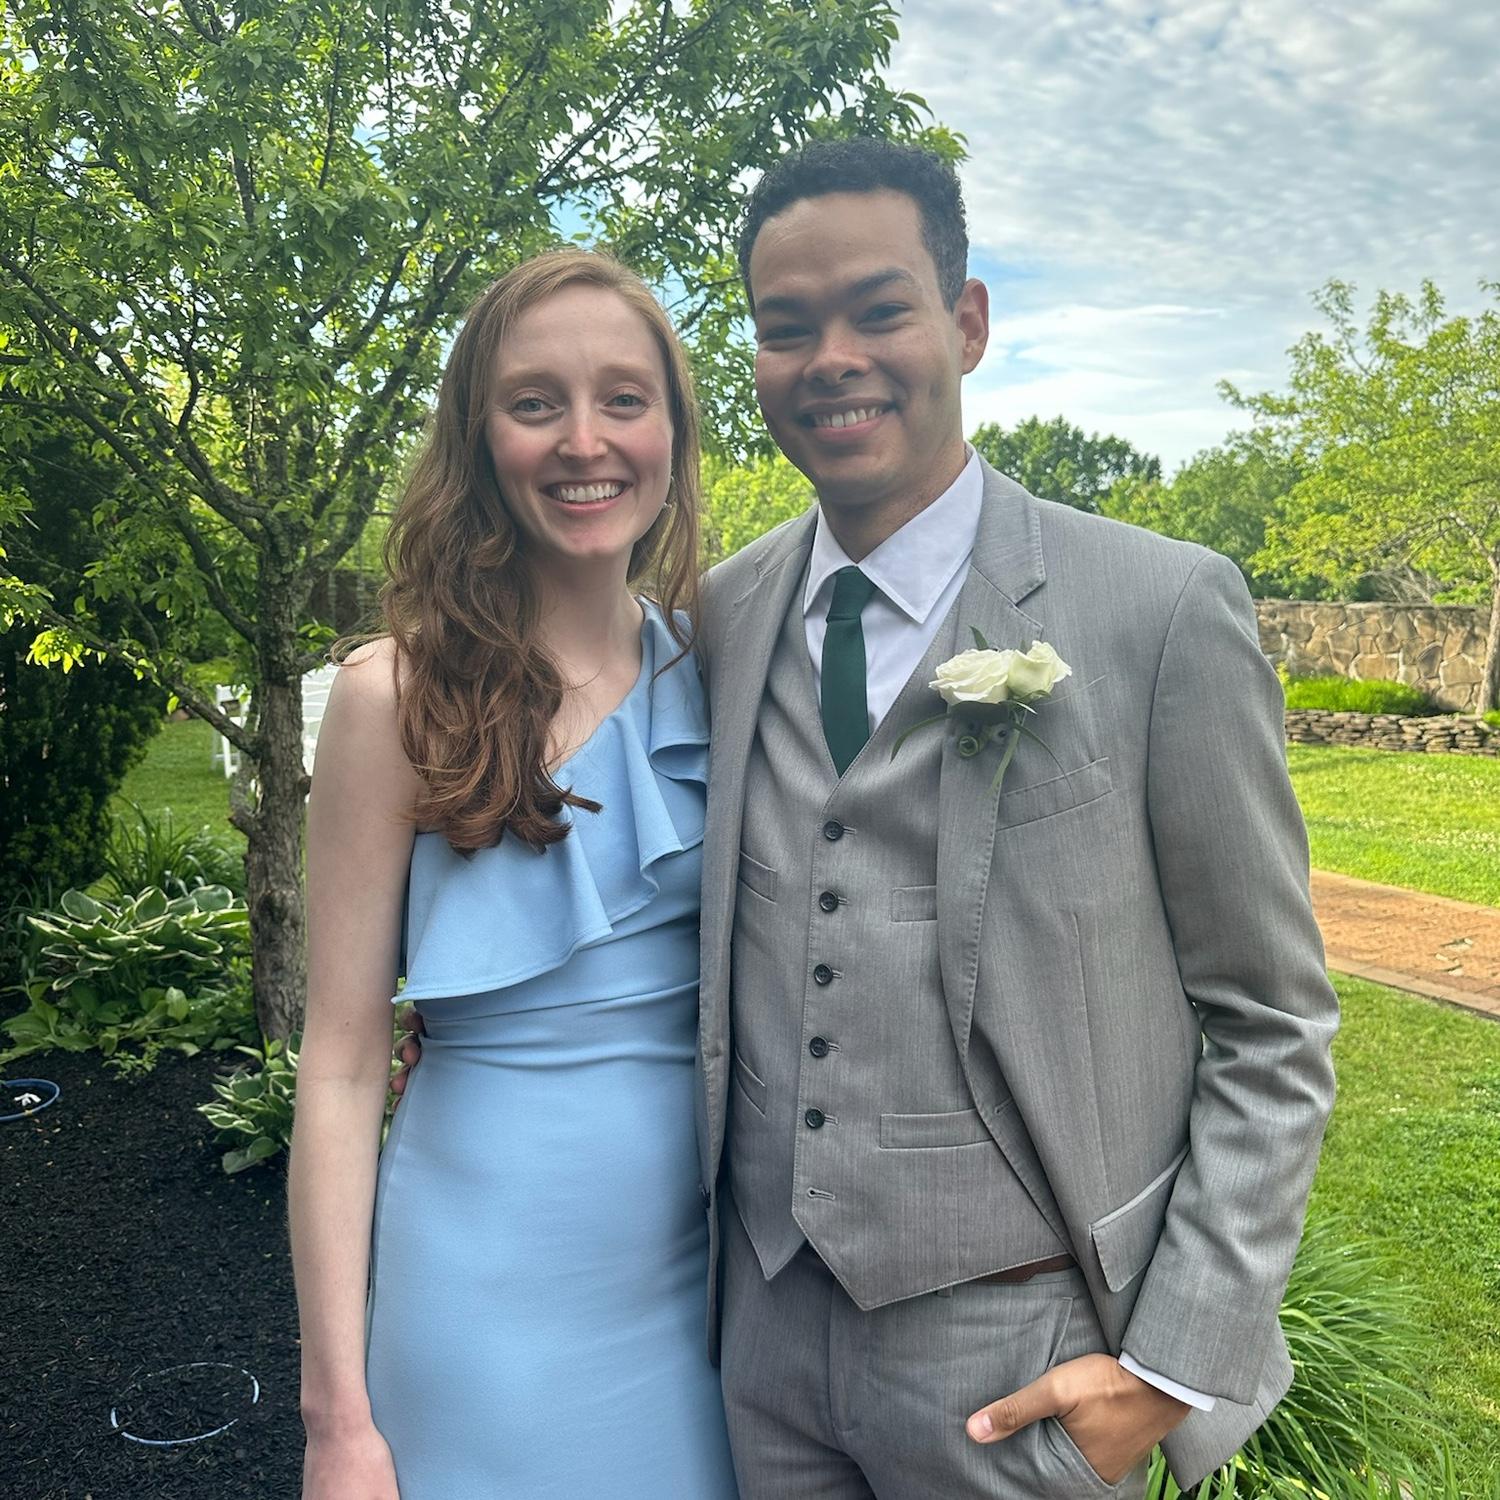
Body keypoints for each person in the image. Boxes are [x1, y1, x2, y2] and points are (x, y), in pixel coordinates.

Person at [399, 140, 1339, 1497]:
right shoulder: (720, 616)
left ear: (968, 322)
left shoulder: (1161, 609)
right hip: (759, 1341)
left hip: (1023, 1354)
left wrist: (1173, 1367)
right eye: (787, 328)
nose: (831, 358)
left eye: (879, 310)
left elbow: (1272, 1017)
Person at [288, 249, 739, 1500]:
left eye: (623, 399)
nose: (584, 441)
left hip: (708, 1302)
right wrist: (336, 1423)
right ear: (479, 437)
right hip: (482, 1295)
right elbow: (339, 1062)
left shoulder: (725, 669)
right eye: (536, 402)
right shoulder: (394, 695)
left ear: (673, 431)